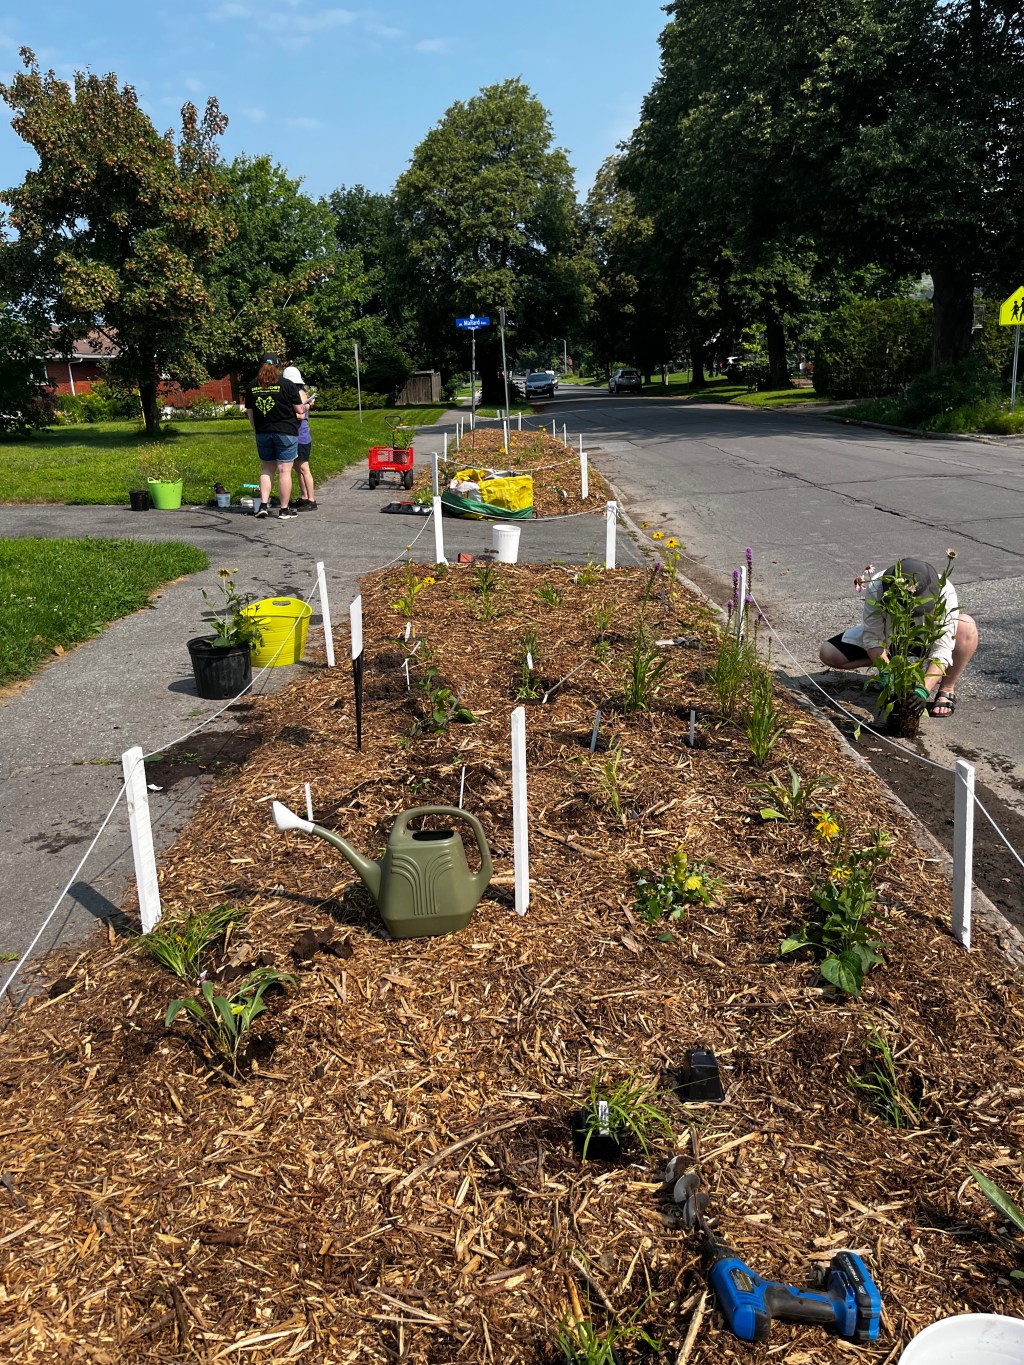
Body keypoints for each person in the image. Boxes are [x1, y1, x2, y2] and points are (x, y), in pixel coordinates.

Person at [818, 556, 978, 718]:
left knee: (966, 626)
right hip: (890, 638)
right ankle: (891, 669)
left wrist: (923, 690)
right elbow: (872, 637)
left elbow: (942, 649)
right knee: (829, 652)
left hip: (925, 640)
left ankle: (946, 689)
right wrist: (888, 674)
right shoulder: (877, 585)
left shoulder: (944, 589)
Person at [243, 353, 304, 520]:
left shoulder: (252, 386)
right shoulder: (286, 384)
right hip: (285, 431)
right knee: (285, 471)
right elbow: (299, 409)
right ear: (278, 367)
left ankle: (263, 506)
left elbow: (250, 412)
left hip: (263, 432)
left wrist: (255, 429)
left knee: (267, 469)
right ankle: (284, 510)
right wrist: (306, 407)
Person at [281, 364, 317, 510]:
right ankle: (304, 497)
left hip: (301, 436)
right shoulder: (293, 392)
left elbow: (301, 415)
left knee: (304, 468)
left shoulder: (300, 393)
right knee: (298, 469)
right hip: (294, 435)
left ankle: (311, 500)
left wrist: (284, 415)